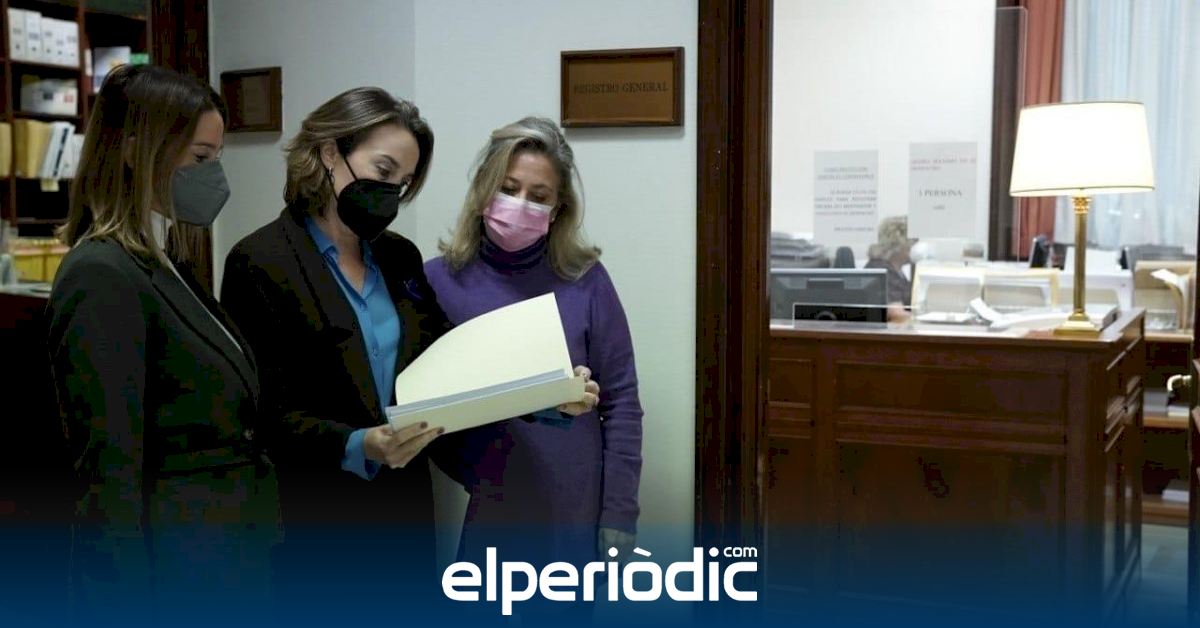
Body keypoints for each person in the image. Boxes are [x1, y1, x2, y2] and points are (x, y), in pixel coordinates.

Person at [219, 90, 598, 623]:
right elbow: (262, 415)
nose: (390, 191)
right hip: (314, 522)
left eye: (402, 182)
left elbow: (452, 367)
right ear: (329, 153)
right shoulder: (260, 262)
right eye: (382, 170)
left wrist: (549, 391)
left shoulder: (397, 257)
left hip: (404, 517)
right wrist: (359, 444)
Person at [45, 64, 279, 625]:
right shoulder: (101, 274)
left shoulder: (167, 262)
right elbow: (109, 471)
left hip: (225, 558)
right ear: (135, 151)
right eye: (200, 157)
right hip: (171, 573)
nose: (213, 175)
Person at [424, 117, 644, 613]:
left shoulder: (585, 279)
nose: (520, 204)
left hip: (573, 511)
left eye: (538, 195)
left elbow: (623, 402)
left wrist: (619, 514)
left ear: (558, 207)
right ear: (483, 189)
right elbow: (427, 401)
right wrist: (475, 471)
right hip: (489, 504)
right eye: (508, 188)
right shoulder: (438, 281)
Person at [865, 215, 915, 308]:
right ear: (898, 245)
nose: (913, 248)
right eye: (911, 243)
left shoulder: (894, 270)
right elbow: (895, 312)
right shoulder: (882, 272)